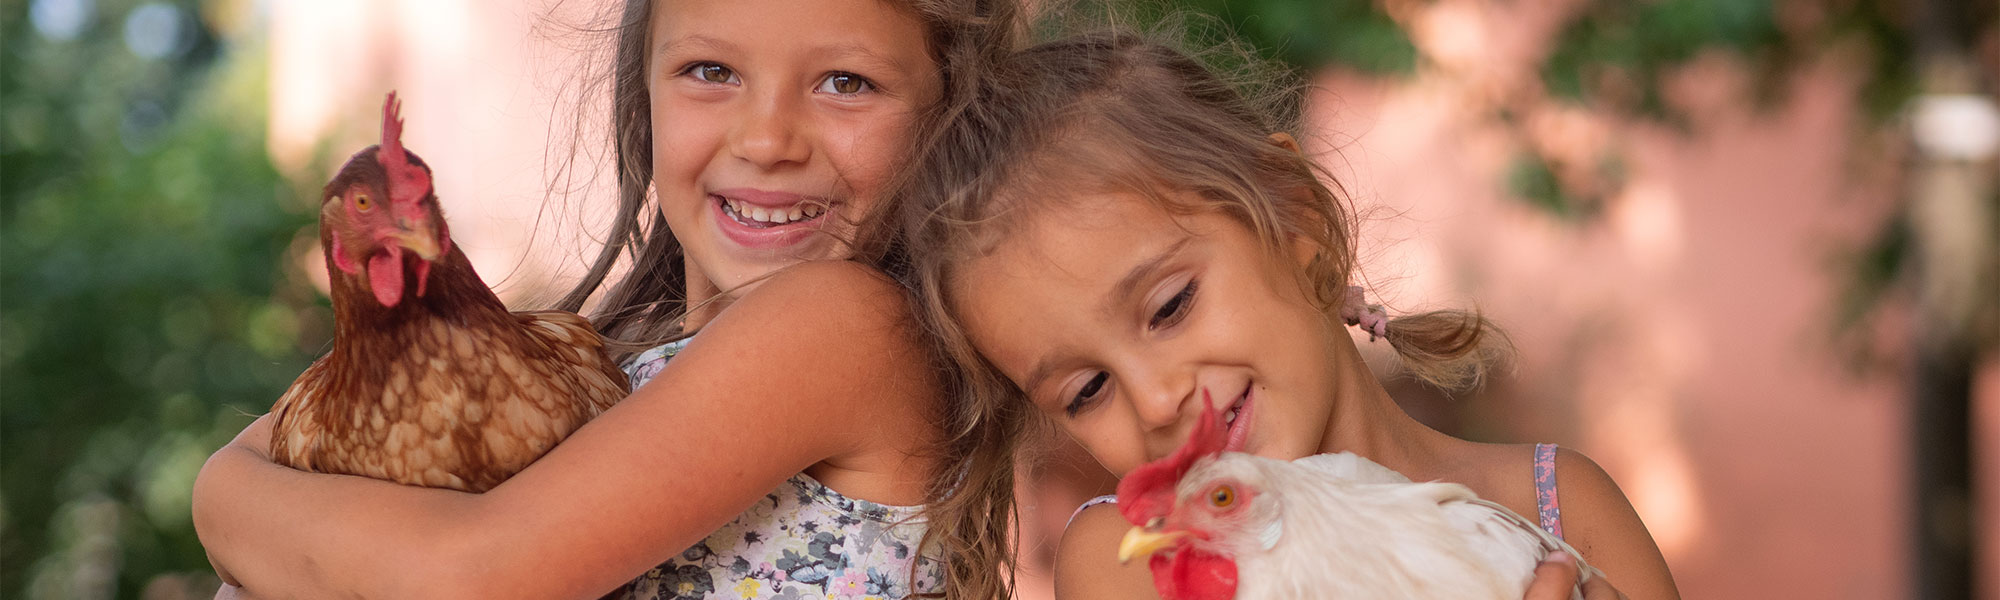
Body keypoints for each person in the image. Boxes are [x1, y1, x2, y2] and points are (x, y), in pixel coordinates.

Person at [191, 0, 1024, 597]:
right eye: (711, 71)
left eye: (846, 82)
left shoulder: (845, 325)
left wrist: (222, 493)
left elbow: (464, 579)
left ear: (949, 117)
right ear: (644, 100)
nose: (768, 139)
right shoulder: (601, 365)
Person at [882, 30, 1681, 599]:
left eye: (1169, 306)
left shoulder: (1559, 505)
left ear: (1293, 217)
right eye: (1087, 389)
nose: (1157, 400)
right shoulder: (1132, 566)